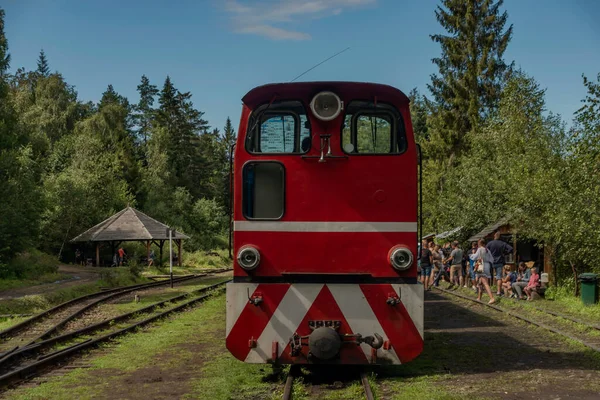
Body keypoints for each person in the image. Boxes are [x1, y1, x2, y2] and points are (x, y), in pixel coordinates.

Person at [486, 231, 514, 296]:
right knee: (499, 277)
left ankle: (488, 289)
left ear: (494, 236)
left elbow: (485, 251)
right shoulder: (502, 243)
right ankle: (498, 291)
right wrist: (505, 253)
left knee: (488, 275)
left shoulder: (490, 243)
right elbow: (511, 249)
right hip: (499, 261)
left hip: (491, 261)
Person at [470, 239, 496, 304]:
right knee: (480, 282)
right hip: (487, 265)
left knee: (485, 283)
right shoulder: (487, 250)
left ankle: (492, 298)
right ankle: (479, 298)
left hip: (481, 265)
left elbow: (474, 257)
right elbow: (492, 260)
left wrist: (472, 254)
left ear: (480, 243)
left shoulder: (480, 249)